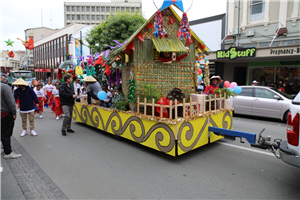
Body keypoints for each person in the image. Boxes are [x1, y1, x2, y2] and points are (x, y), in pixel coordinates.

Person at [0, 77, 22, 158]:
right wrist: (14, 112)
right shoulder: (5, 87)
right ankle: (8, 152)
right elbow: (11, 101)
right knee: (6, 133)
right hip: (5, 113)